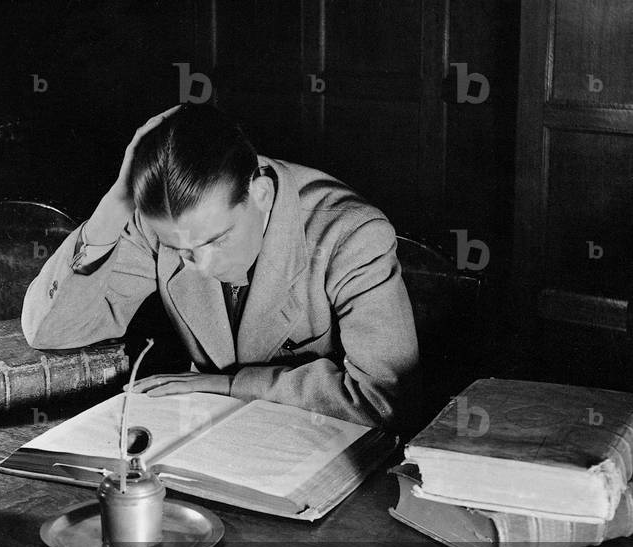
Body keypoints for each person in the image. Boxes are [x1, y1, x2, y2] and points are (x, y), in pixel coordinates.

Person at [21, 104, 418, 430]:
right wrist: (117, 204)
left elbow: (380, 399)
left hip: (319, 446)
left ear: (260, 194)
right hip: (210, 437)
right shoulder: (165, 224)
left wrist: (228, 385)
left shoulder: (350, 234)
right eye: (182, 249)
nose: (202, 265)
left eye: (217, 240)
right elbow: (51, 329)